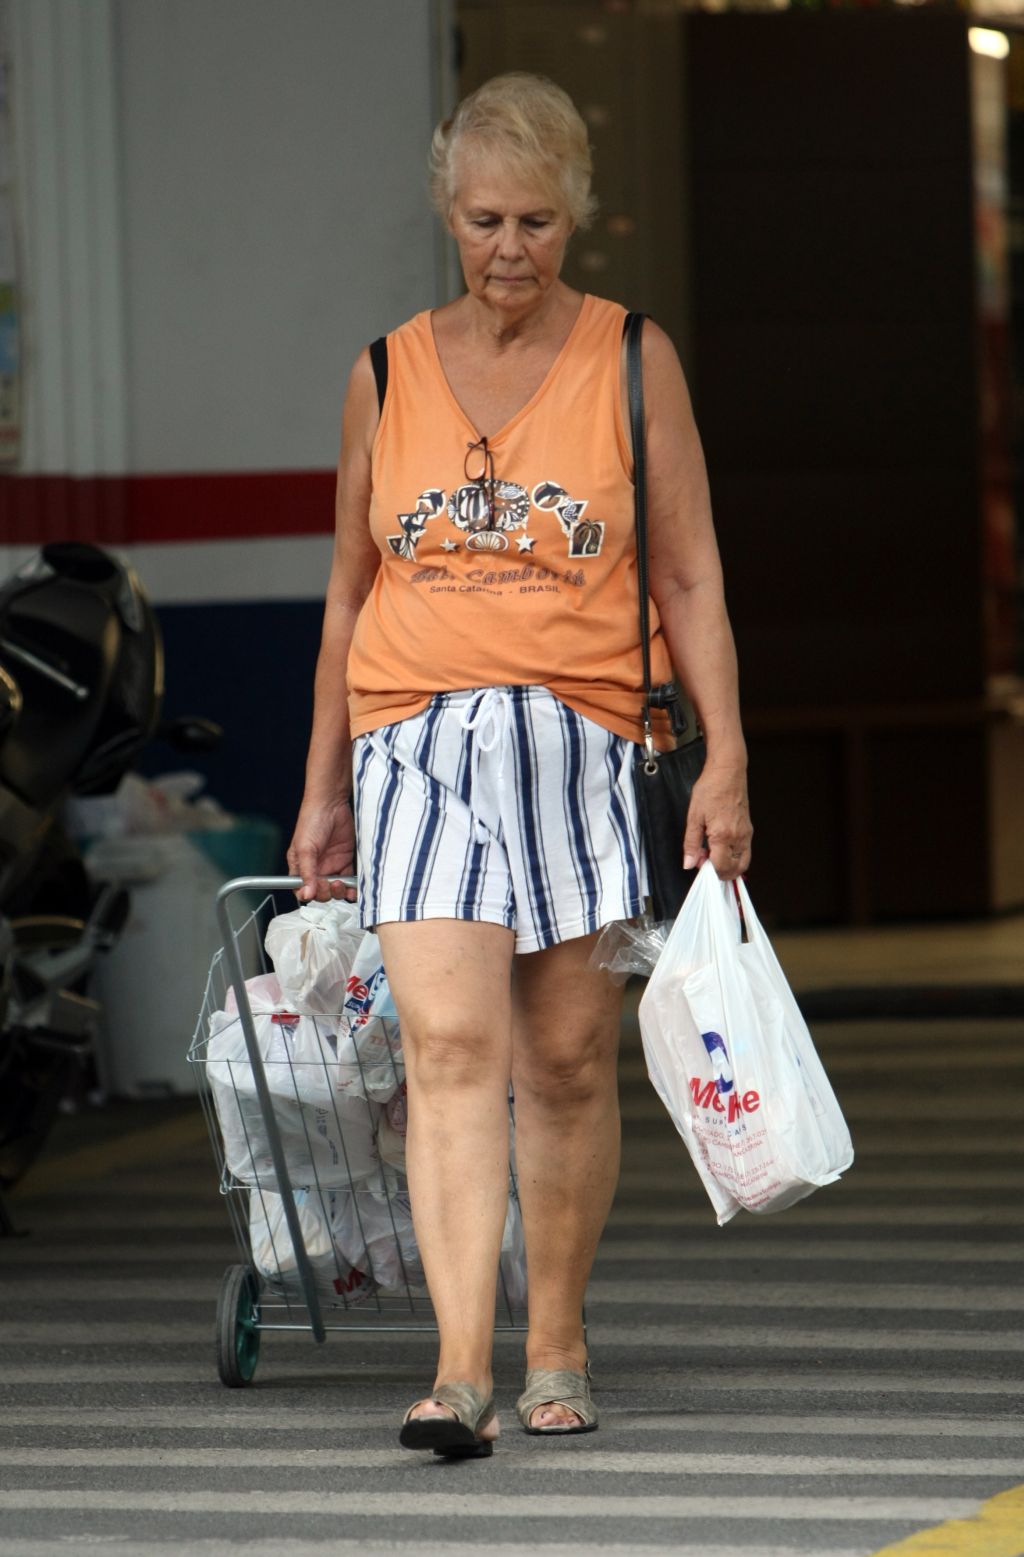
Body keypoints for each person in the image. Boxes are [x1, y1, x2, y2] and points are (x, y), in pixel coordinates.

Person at [288, 72, 752, 1457]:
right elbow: (343, 594)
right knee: (446, 1045)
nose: (509, 248)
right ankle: (456, 1367)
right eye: (485, 218)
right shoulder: (384, 370)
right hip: (416, 740)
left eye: (538, 221)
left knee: (558, 1058)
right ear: (446, 210)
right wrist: (323, 785)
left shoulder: (631, 358)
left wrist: (726, 759)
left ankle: (558, 1340)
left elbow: (688, 569)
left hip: (584, 734)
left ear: (580, 217)